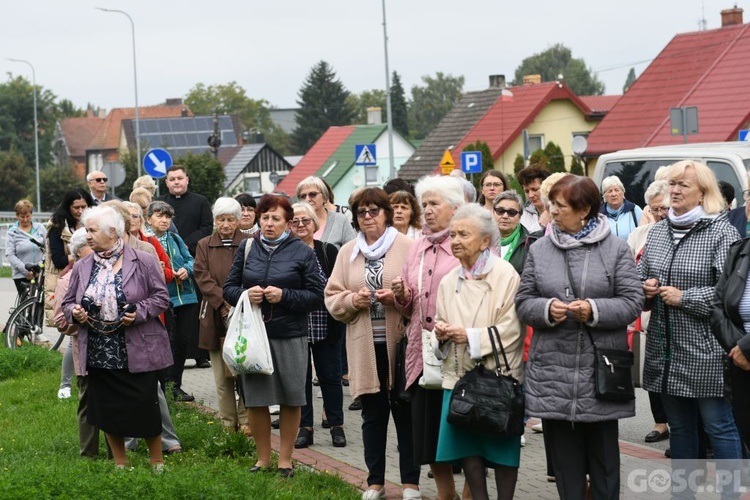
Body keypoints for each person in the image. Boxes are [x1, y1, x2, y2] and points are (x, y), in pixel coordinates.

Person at [516, 175, 643, 499]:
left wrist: (593, 310)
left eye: (559, 205)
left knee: (604, 467)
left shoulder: (615, 249)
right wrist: (546, 309)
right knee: (565, 468)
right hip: (553, 372)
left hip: (600, 372)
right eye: (552, 204)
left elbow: (632, 302)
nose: (552, 211)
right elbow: (523, 300)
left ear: (584, 209)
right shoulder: (540, 248)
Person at [638, 160, 743, 463]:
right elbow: (638, 274)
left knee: (719, 427)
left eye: (683, 184)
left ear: (703, 193)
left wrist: (685, 298)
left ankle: (731, 494)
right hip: (665, 351)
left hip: (707, 351)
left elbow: (730, 294)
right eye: (672, 183)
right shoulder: (657, 233)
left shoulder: (722, 233)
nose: (674, 190)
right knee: (680, 429)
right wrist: (644, 287)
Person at [325, 188, 420, 500]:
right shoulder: (347, 251)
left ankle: (410, 483)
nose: (368, 217)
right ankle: (375, 482)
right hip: (365, 345)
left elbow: (421, 297)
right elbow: (332, 297)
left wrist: (401, 296)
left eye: (374, 211)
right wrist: (353, 299)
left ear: (386, 214)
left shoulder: (408, 246)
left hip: (401, 346)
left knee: (405, 415)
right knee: (373, 416)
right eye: (361, 212)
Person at [62, 205, 172, 470]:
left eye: (92, 230)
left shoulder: (142, 260)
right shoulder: (83, 265)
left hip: (136, 347)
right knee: (107, 408)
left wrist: (139, 312)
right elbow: (67, 302)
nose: (87, 235)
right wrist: (75, 312)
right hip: (99, 349)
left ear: (113, 232)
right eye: (86, 230)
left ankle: (156, 461)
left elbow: (161, 298)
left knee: (145, 405)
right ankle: (121, 463)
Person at [223, 194, 325, 477]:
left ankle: (286, 460)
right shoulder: (246, 248)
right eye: (265, 217)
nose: (268, 224)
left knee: (291, 398)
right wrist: (245, 293)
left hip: (290, 334)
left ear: (288, 223)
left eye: (275, 219)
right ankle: (263, 459)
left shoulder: (303, 252)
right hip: (255, 335)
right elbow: (228, 288)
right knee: (255, 398)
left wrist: (285, 296)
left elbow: (316, 296)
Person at [431, 204, 522, 500]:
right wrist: (442, 334)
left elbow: (511, 328)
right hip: (459, 377)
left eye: (464, 234)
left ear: (485, 241)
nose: (455, 240)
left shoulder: (506, 275)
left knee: (502, 447)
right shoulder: (448, 280)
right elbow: (440, 324)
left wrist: (470, 336)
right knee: (466, 444)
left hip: (499, 377)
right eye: (453, 234)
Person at [392, 175, 464, 500]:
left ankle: (470, 494)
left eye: (435, 203)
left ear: (455, 207)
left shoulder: (467, 241)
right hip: (423, 354)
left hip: (461, 353)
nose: (428, 210)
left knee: (462, 431)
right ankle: (444, 494)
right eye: (425, 204)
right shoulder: (418, 245)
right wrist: (401, 294)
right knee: (430, 433)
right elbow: (408, 306)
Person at [288, 202, 346, 449]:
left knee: (330, 377)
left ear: (315, 224)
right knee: (300, 379)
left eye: (306, 220)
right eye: (295, 221)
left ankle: (336, 425)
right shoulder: (285, 251)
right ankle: (305, 427)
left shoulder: (328, 251)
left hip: (326, 324)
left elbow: (337, 286)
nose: (301, 225)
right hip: (296, 326)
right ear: (289, 226)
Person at [194, 197, 252, 436]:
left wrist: (236, 301)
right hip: (214, 316)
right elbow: (202, 275)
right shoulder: (204, 244)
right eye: (221, 219)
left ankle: (247, 420)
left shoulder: (250, 242)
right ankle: (228, 422)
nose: (225, 224)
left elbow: (254, 272)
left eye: (230, 219)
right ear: (215, 221)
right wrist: (222, 304)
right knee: (221, 377)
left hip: (245, 312)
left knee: (246, 372)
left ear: (239, 220)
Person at [626, 180, 671, 444]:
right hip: (647, 312)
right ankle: (660, 423)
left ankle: (679, 426)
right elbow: (631, 270)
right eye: (656, 210)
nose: (661, 214)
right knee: (651, 371)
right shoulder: (641, 234)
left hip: (674, 310)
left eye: (665, 208)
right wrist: (643, 285)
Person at [146, 201, 200, 402]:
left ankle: (176, 385)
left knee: (183, 342)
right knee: (167, 342)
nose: (164, 220)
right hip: (165, 300)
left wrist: (188, 269)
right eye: (159, 216)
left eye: (167, 217)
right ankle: (165, 386)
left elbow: (191, 260)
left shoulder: (176, 238)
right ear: (148, 218)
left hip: (186, 296)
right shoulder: (147, 241)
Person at [45, 189, 93, 399]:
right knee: (74, 336)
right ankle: (65, 384)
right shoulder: (57, 227)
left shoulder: (93, 222)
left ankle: (86, 379)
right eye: (76, 207)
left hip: (89, 278)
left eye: (84, 206)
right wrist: (78, 256)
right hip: (67, 280)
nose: (80, 211)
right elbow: (58, 260)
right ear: (68, 207)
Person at [710, 233, 750, 451]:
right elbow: (717, 306)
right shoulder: (739, 251)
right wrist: (738, 350)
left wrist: (745, 348)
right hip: (741, 365)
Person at [296, 176, 356, 250]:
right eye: (303, 196)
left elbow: (352, 251)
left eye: (313, 194)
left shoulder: (341, 220)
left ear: (324, 197)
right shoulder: (294, 223)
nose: (307, 199)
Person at [122, 201, 174, 283]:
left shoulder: (151, 241)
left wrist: (160, 269)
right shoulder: (113, 243)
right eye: (127, 216)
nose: (131, 219)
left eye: (135, 216)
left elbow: (170, 274)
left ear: (141, 220)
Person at [6, 199, 46, 295]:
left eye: (27, 216)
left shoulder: (40, 228)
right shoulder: (12, 232)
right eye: (22, 217)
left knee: (40, 304)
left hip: (40, 273)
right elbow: (10, 255)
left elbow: (48, 249)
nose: (25, 220)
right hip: (21, 275)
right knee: (26, 305)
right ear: (17, 216)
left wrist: (39, 268)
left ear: (31, 214)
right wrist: (25, 271)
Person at [492, 190, 533, 275]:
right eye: (500, 211)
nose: (505, 216)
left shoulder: (530, 243)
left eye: (512, 212)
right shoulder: (481, 239)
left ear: (520, 216)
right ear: (493, 212)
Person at [600, 175, 642, 240]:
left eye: (616, 190)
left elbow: (644, 236)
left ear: (623, 193)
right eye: (610, 191)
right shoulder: (599, 215)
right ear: (604, 195)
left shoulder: (634, 210)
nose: (613, 194)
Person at [517, 165, 551, 232]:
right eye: (526, 191)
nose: (530, 195)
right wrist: (540, 225)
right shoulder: (522, 216)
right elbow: (527, 241)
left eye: (535, 189)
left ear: (547, 187)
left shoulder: (560, 211)